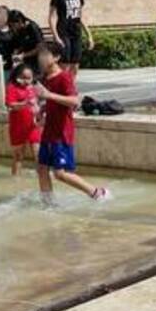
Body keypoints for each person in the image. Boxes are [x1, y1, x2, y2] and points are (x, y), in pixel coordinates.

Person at [35, 41, 110, 202]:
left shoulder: (64, 77)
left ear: (56, 57)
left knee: (60, 173)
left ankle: (97, 192)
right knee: (41, 169)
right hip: (49, 131)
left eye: (44, 54)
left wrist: (49, 96)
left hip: (61, 133)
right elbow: (51, 101)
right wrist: (42, 111)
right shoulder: (47, 78)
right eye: (40, 54)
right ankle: (48, 204)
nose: (40, 58)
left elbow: (75, 101)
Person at [49, 0, 94, 76]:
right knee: (65, 63)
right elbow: (52, 17)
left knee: (75, 63)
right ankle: (63, 88)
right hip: (63, 33)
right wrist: (56, 36)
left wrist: (89, 35)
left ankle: (71, 88)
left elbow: (81, 16)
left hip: (76, 32)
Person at [5, 62, 41, 175]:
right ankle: (16, 181)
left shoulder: (33, 88)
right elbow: (11, 105)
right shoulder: (12, 88)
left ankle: (42, 179)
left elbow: (37, 105)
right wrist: (25, 103)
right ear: (17, 77)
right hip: (17, 126)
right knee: (18, 157)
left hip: (32, 126)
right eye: (23, 78)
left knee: (38, 155)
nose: (26, 81)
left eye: (29, 78)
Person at [8, 9, 44, 73]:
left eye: (13, 25)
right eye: (11, 26)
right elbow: (21, 44)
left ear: (20, 21)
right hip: (26, 59)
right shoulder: (18, 30)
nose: (13, 28)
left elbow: (40, 48)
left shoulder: (32, 27)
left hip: (37, 59)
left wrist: (23, 55)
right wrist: (17, 52)